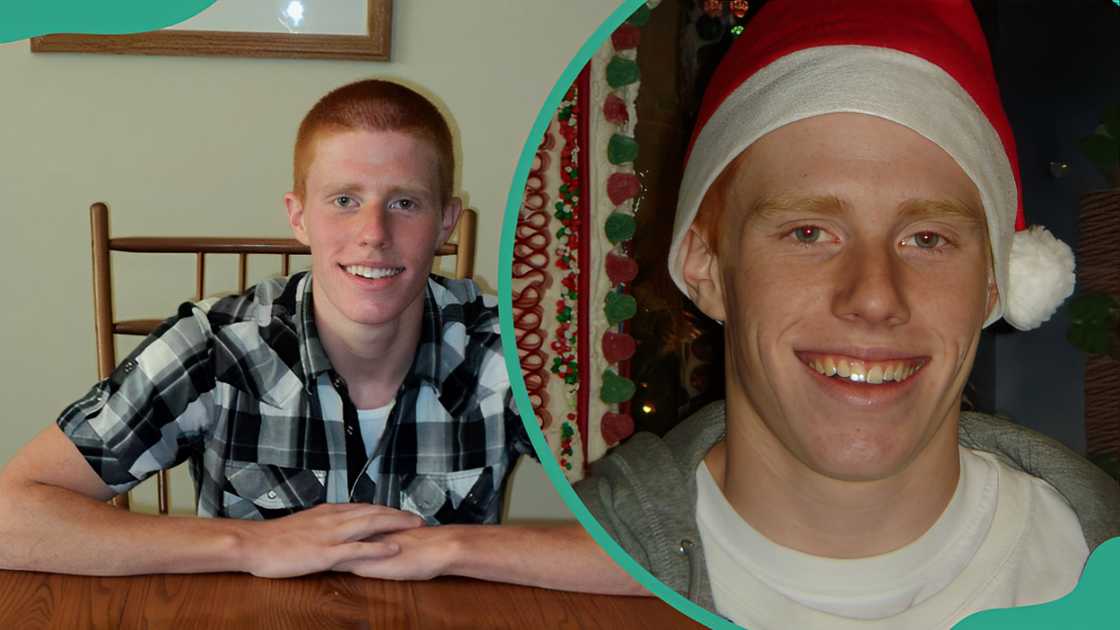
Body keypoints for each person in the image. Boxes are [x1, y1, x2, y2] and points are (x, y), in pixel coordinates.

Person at [573, 0, 1120, 627]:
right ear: (705, 266)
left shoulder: (1093, 562)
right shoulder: (567, 598)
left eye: (928, 239)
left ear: (995, 283)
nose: (875, 297)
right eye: (809, 232)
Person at [0, 79, 638, 594]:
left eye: (405, 203)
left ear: (446, 222)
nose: (373, 233)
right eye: (343, 199)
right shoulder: (212, 348)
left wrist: (458, 546)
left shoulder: (509, 354)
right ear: (297, 215)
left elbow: (670, 544)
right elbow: (11, 516)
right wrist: (250, 544)